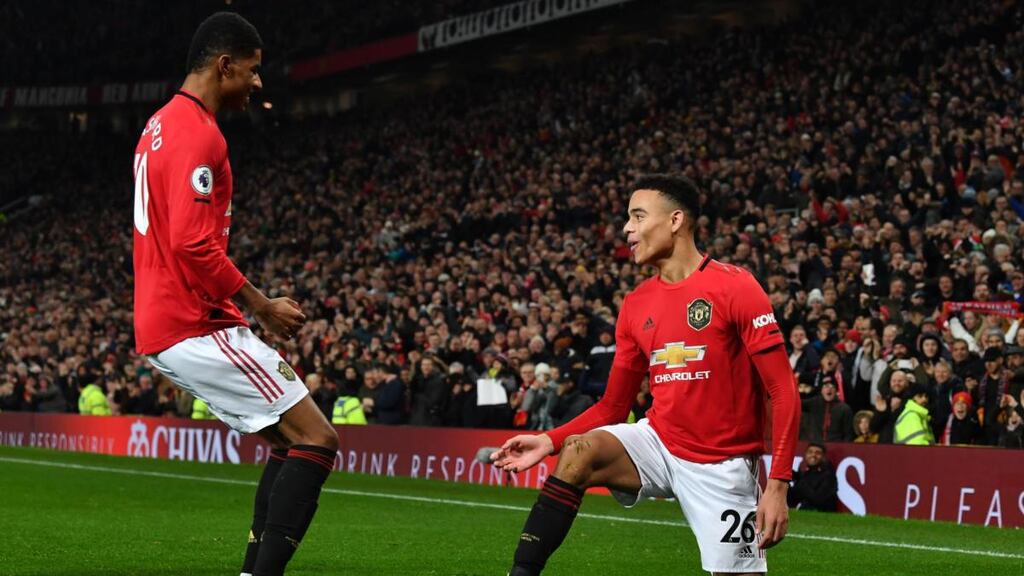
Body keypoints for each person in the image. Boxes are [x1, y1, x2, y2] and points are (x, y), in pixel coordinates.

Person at [491, 174, 800, 575]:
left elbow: (783, 390)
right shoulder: (636, 305)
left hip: (722, 464)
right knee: (580, 451)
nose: (627, 228)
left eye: (638, 216)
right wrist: (549, 441)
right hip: (659, 443)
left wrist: (778, 485)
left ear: (675, 220)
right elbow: (613, 408)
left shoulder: (735, 287)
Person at [130, 13, 338, 576]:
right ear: (225, 65)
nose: (258, 81)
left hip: (166, 320)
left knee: (291, 444)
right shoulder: (198, 132)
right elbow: (192, 244)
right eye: (253, 69)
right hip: (194, 320)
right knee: (318, 439)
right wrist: (262, 306)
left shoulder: (158, 124)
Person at [787, 443, 838, 512]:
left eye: (818, 453)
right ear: (805, 455)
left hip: (821, 514)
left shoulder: (829, 476)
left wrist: (800, 481)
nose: (813, 455)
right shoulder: (804, 474)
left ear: (823, 457)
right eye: (810, 452)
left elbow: (818, 499)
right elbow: (793, 500)